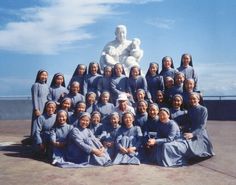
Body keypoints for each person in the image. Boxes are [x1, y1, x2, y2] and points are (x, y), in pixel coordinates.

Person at [184, 92, 215, 161]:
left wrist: (193, 134)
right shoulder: (190, 110)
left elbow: (202, 125)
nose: (192, 101)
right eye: (191, 99)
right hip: (191, 130)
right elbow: (189, 123)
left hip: (200, 132)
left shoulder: (203, 109)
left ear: (198, 99)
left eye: (194, 99)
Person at [31, 70, 50, 137]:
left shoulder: (47, 86)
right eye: (42, 75)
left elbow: (49, 97)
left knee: (44, 122)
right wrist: (36, 109)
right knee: (36, 122)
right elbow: (34, 97)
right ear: (39, 76)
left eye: (45, 75)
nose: (44, 77)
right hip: (39, 107)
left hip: (46, 107)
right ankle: (34, 139)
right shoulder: (35, 85)